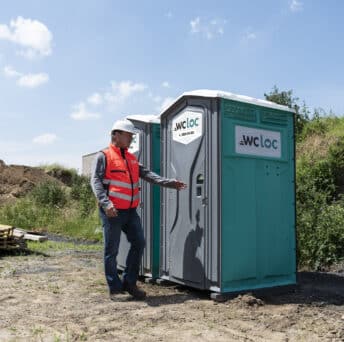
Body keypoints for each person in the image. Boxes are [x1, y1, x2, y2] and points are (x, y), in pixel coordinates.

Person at [91, 119, 187, 300]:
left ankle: (129, 282)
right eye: (129, 135)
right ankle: (115, 289)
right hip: (112, 211)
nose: (131, 139)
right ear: (116, 135)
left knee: (139, 243)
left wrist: (169, 183)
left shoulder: (131, 159)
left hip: (130, 211)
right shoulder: (103, 156)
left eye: (132, 136)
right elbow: (95, 181)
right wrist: (106, 203)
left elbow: (149, 175)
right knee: (111, 250)